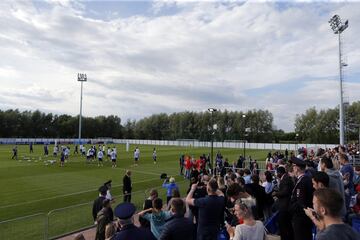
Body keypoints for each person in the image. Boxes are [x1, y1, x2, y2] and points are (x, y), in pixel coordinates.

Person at [289, 157, 314, 240]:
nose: (293, 168)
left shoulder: (303, 181)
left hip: (301, 218)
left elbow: (300, 202)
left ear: (297, 168)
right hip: (303, 217)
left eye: (293, 166)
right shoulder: (304, 179)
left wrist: (291, 209)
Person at [272, 166, 294, 240]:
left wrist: (276, 193)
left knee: (284, 225)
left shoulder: (286, 179)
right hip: (284, 205)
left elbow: (285, 192)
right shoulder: (285, 178)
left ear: (280, 173)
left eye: (277, 173)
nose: (276, 174)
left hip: (285, 207)